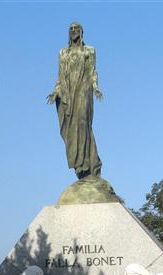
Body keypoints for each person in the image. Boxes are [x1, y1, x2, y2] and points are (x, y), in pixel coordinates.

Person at [47, 22, 103, 179]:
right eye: (70, 29)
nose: (73, 31)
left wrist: (96, 86)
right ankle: (80, 167)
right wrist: (56, 91)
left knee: (84, 125)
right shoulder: (63, 53)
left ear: (82, 31)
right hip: (68, 95)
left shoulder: (89, 51)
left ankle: (89, 164)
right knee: (71, 129)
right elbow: (60, 76)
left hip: (84, 91)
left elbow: (92, 71)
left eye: (76, 28)